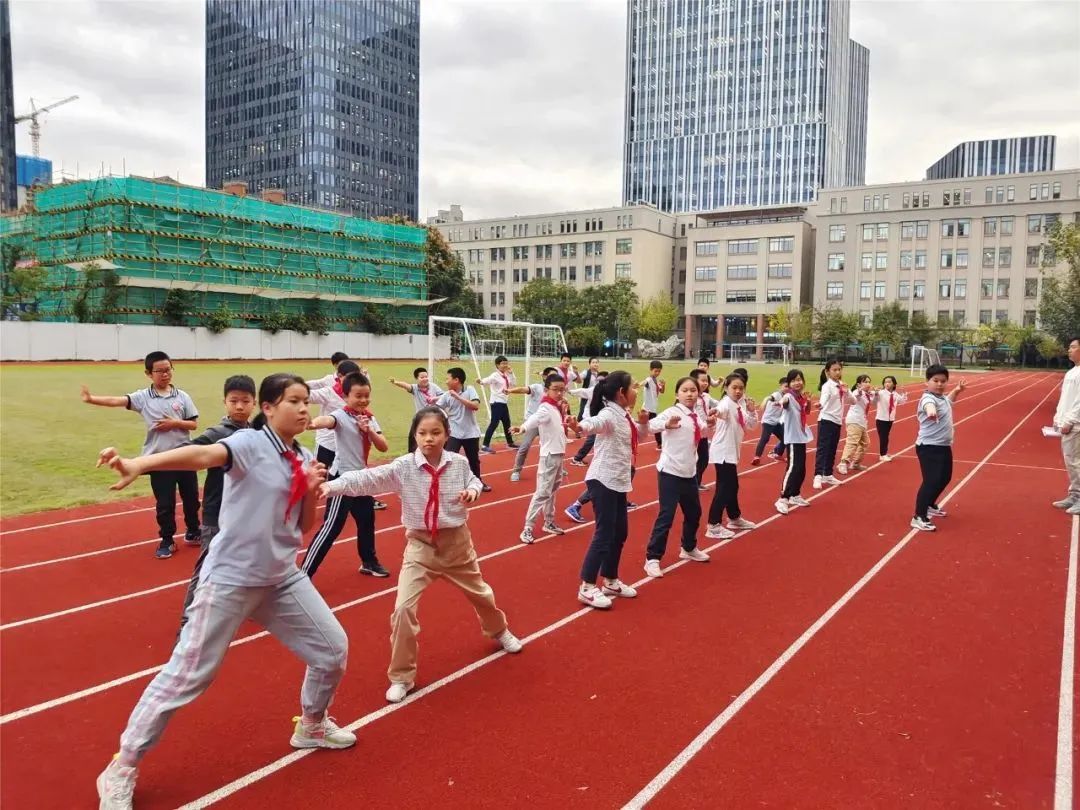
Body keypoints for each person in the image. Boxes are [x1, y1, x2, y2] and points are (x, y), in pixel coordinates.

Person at [95, 374, 353, 810]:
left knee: (332, 651)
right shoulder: (251, 443)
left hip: (280, 577)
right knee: (188, 675)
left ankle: (311, 725)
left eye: (306, 401)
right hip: (231, 578)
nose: (304, 408)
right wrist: (141, 465)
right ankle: (122, 766)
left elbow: (303, 526)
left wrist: (310, 492)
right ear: (268, 408)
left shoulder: (304, 456)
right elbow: (201, 454)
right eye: (293, 401)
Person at [322, 406, 523, 704]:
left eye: (436, 433)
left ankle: (499, 630)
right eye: (422, 433)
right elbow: (366, 479)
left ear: (447, 434)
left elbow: (474, 482)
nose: (428, 439)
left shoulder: (458, 463)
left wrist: (473, 493)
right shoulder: (403, 467)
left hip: (456, 545)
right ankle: (401, 676)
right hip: (420, 547)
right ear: (414, 435)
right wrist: (331, 486)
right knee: (403, 609)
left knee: (482, 595)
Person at [80, 351, 200, 559]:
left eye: (168, 369)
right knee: (165, 504)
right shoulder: (143, 398)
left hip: (184, 457)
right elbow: (116, 400)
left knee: (191, 498)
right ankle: (167, 540)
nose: (165, 374)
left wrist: (175, 423)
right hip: (158, 460)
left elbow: (193, 424)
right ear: (148, 373)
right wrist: (91, 399)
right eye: (159, 371)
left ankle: (193, 531)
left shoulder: (182, 397)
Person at [176, 374, 256, 637]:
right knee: (207, 567)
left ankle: (243, 607)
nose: (240, 406)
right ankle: (189, 620)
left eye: (245, 401)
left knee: (248, 561)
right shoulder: (217, 434)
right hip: (217, 514)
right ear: (225, 402)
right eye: (234, 401)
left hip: (248, 513)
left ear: (254, 403)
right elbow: (189, 453)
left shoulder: (258, 432)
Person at [302, 372, 390, 579]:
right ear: (345, 396)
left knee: (367, 522)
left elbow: (383, 447)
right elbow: (327, 420)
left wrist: (368, 431)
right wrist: (312, 423)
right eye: (358, 396)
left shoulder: (369, 417)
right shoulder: (341, 416)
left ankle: (369, 562)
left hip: (361, 480)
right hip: (342, 480)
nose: (363, 400)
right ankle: (303, 574)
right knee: (331, 528)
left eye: (366, 395)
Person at [575, 371, 647, 609]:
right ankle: (586, 587)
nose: (636, 390)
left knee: (620, 533)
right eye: (633, 387)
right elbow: (594, 423)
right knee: (604, 534)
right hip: (603, 479)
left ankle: (610, 580)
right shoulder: (609, 414)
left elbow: (639, 435)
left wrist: (647, 423)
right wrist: (578, 426)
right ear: (621, 393)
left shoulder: (624, 414)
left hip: (617, 480)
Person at [643, 377, 710, 578]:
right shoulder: (673, 412)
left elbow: (702, 432)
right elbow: (650, 426)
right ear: (677, 394)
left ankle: (688, 548)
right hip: (670, 472)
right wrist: (666, 424)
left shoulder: (695, 416)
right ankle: (652, 558)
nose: (690, 394)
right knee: (667, 516)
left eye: (693, 390)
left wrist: (710, 424)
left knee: (694, 513)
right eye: (685, 390)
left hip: (689, 473)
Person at [513, 373, 574, 543]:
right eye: (556, 390)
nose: (560, 393)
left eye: (562, 390)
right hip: (549, 456)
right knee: (542, 492)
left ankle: (549, 522)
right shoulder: (546, 407)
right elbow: (535, 418)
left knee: (552, 492)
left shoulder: (556, 407)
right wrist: (523, 428)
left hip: (558, 454)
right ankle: (528, 527)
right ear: (547, 390)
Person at [911, 364, 966, 532]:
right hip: (928, 447)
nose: (940, 384)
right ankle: (918, 516)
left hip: (943, 446)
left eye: (943, 381)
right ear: (927, 382)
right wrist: (931, 411)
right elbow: (929, 405)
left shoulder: (942, 398)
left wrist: (957, 390)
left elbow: (949, 401)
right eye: (935, 380)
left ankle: (929, 504)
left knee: (945, 478)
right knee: (931, 481)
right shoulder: (928, 399)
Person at [707, 373, 759, 539]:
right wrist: (715, 411)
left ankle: (734, 517)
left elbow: (751, 425)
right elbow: (721, 411)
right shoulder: (726, 403)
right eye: (734, 388)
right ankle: (713, 525)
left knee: (732, 486)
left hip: (731, 451)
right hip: (723, 451)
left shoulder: (741, 404)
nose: (737, 391)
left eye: (741, 388)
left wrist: (752, 411)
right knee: (724, 488)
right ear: (726, 388)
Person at [436, 368, 491, 492]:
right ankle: (446, 484)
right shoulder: (446, 395)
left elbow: (475, 406)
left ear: (456, 380)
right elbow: (437, 409)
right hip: (454, 432)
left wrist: (457, 397)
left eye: (448, 378)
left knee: (473, 460)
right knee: (448, 457)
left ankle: (477, 482)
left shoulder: (470, 390)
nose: (446, 381)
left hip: (471, 432)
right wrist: (443, 414)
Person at [507, 366, 557, 481]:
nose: (554, 378)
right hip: (533, 422)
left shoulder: (555, 391)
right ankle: (516, 471)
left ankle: (557, 467)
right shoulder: (537, 387)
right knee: (524, 447)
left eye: (555, 376)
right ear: (544, 377)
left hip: (547, 423)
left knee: (554, 446)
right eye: (551, 375)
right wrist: (510, 391)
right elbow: (523, 389)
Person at [775, 368, 814, 515]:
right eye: (794, 380)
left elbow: (807, 412)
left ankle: (795, 494)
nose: (797, 383)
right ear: (789, 383)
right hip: (792, 438)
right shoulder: (789, 397)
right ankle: (783, 498)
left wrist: (808, 401)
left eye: (799, 379)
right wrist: (783, 401)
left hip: (801, 436)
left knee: (801, 468)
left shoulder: (800, 397)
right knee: (792, 468)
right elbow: (784, 403)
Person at [813, 358, 852, 490]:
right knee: (823, 449)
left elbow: (853, 401)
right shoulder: (827, 386)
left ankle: (828, 474)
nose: (837, 372)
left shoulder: (842, 385)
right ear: (827, 372)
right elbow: (824, 398)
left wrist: (847, 391)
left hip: (837, 421)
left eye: (839, 369)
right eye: (834, 370)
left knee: (832, 449)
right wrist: (820, 404)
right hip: (826, 419)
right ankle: (817, 475)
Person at [1052, 338, 1080, 515]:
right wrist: (1058, 417)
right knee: (1071, 462)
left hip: (1076, 425)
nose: (1069, 350)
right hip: (1067, 424)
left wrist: (1069, 420)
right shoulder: (1071, 372)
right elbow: (1065, 400)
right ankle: (1074, 494)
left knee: (1076, 462)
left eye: (1073, 347)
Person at [478, 355, 519, 453]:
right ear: (497, 365)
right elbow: (487, 380)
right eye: (503, 363)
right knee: (494, 424)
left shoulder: (507, 375)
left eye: (506, 363)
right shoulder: (495, 375)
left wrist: (511, 373)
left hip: (503, 402)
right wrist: (481, 381)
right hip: (496, 402)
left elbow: (514, 383)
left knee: (507, 423)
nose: (505, 365)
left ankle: (510, 443)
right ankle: (485, 445)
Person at [568, 370, 609, 468]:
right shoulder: (593, 390)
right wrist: (569, 391)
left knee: (600, 438)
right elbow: (582, 391)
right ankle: (577, 458)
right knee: (592, 439)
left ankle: (600, 458)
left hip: (599, 418)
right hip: (590, 417)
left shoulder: (608, 391)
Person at [689, 368, 720, 489]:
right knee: (691, 459)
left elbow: (718, 404)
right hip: (692, 434)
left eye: (706, 381)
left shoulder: (706, 396)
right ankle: (690, 483)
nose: (705, 383)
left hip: (704, 433)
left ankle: (696, 482)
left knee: (704, 459)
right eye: (702, 380)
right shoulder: (691, 397)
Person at [838, 374, 874, 474]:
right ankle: (843, 463)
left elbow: (873, 395)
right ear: (859, 384)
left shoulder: (867, 395)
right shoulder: (857, 392)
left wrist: (876, 391)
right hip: (854, 420)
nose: (868, 383)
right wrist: (859, 390)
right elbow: (855, 396)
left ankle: (855, 463)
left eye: (868, 381)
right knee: (852, 442)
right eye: (865, 382)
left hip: (862, 422)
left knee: (865, 443)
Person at [752, 376, 789, 465]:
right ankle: (757, 457)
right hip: (768, 421)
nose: (787, 389)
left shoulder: (787, 396)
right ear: (781, 386)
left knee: (785, 438)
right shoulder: (777, 394)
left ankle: (777, 453)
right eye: (785, 386)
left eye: (789, 387)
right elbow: (769, 397)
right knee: (765, 438)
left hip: (777, 422)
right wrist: (765, 401)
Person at [873, 375, 908, 462]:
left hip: (890, 419)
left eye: (889, 382)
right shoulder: (881, 393)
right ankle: (882, 454)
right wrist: (876, 394)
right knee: (883, 437)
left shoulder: (895, 394)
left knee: (886, 436)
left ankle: (884, 452)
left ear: (894, 383)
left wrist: (904, 393)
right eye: (885, 382)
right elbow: (874, 402)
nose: (887, 384)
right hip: (881, 419)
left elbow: (902, 401)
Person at [637, 360, 667, 448]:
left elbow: (662, 391)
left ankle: (659, 443)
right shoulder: (649, 380)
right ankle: (660, 443)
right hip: (647, 409)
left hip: (652, 408)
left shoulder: (655, 381)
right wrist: (638, 385)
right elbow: (643, 383)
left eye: (659, 371)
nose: (657, 373)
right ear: (651, 370)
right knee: (655, 426)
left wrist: (663, 385)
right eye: (656, 371)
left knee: (643, 426)